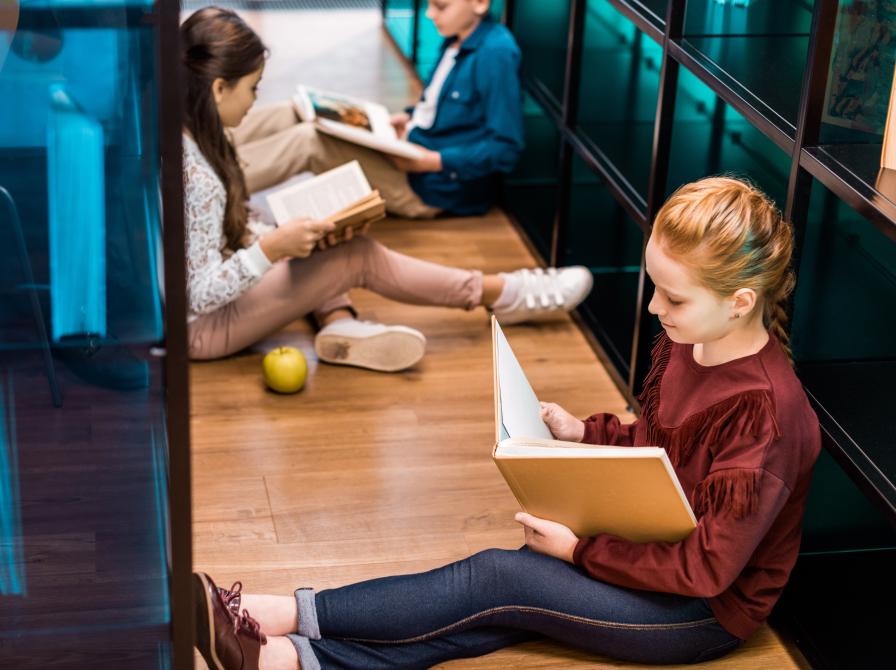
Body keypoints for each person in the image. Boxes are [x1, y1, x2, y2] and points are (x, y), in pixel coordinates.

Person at [192, 177, 822, 669]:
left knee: (506, 578)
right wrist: (587, 433)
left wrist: (581, 550)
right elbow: (657, 442)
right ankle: (286, 658)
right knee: (499, 600)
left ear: (741, 302)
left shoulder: (766, 417)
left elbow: (708, 571)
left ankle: (279, 614)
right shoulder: (695, 338)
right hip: (656, 550)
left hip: (702, 613)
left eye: (672, 297)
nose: (654, 307)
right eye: (655, 287)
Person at [181, 7, 590, 370]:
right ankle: (507, 293)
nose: (255, 98)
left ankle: (340, 322)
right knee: (355, 254)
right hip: (204, 325)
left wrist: (270, 240)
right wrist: (270, 248)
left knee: (306, 235)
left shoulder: (182, 133)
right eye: (252, 87)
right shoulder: (201, 178)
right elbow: (200, 294)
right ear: (218, 89)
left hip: (203, 305)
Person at [232, 0, 523, 220]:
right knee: (295, 110)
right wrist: (408, 119)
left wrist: (433, 161)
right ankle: (203, 152)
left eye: (440, 6)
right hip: (407, 150)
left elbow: (506, 148)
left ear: (480, 3)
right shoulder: (456, 37)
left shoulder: (495, 54)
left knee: (310, 142)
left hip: (430, 187)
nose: (429, 14)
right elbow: (437, 106)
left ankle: (214, 189)